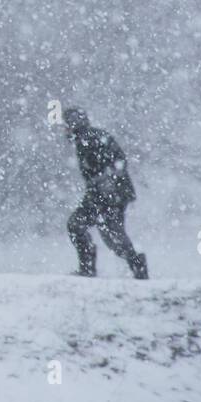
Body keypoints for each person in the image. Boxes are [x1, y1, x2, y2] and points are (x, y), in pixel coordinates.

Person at [62, 106, 148, 280]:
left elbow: (117, 162)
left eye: (67, 125)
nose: (65, 130)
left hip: (108, 195)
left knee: (92, 229)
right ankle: (137, 267)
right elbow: (117, 161)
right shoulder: (88, 138)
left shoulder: (89, 139)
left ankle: (90, 268)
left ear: (74, 124)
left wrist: (107, 183)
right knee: (110, 235)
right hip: (108, 194)